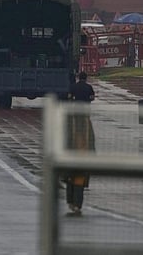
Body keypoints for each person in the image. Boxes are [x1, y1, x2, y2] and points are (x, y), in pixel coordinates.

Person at [64, 72, 96, 215]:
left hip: (70, 157)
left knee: (70, 180)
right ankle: (77, 204)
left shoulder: (70, 124)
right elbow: (92, 97)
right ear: (86, 78)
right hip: (82, 157)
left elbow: (69, 98)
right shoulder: (87, 125)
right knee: (78, 181)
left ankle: (71, 202)